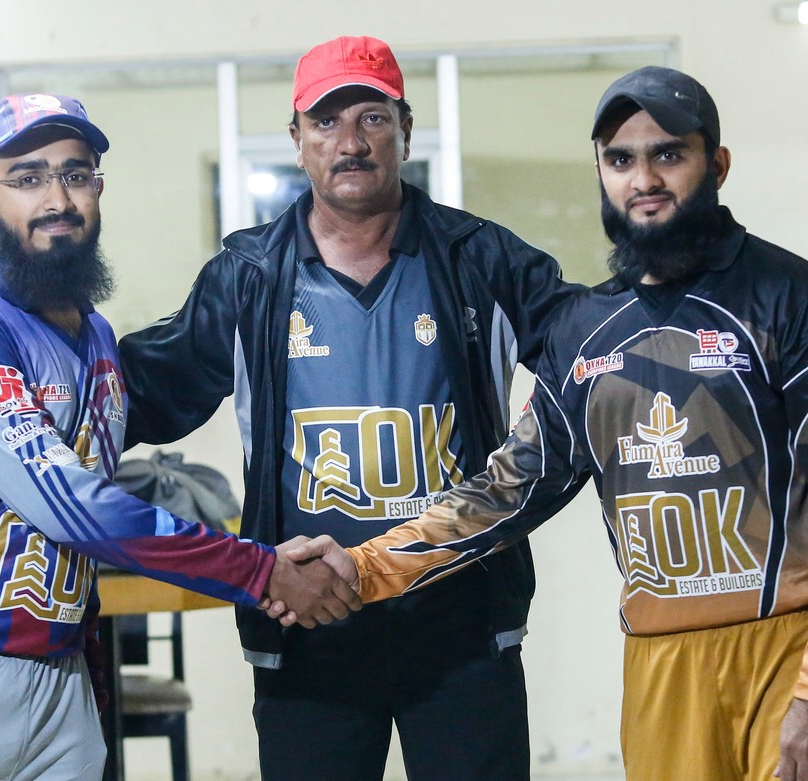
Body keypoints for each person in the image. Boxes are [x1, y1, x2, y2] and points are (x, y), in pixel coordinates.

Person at [283, 66, 808, 781]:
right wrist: (362, 566)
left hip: (792, 659)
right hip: (661, 669)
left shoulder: (795, 299)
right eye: (621, 159)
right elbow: (503, 494)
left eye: (669, 154)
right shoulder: (586, 330)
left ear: (717, 164)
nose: (645, 179)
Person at [0, 93, 359, 781]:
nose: (57, 199)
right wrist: (259, 571)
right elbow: (68, 504)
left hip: (57, 678)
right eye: (27, 178)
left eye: (75, 175)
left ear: (98, 190)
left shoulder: (96, 334)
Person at [117, 36, 575, 781]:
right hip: (307, 624)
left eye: (372, 118)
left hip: (459, 623)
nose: (350, 142)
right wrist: (29, 370)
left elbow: (595, 355)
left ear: (405, 130)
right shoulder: (248, 277)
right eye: (326, 122)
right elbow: (144, 389)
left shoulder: (479, 259)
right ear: (297, 140)